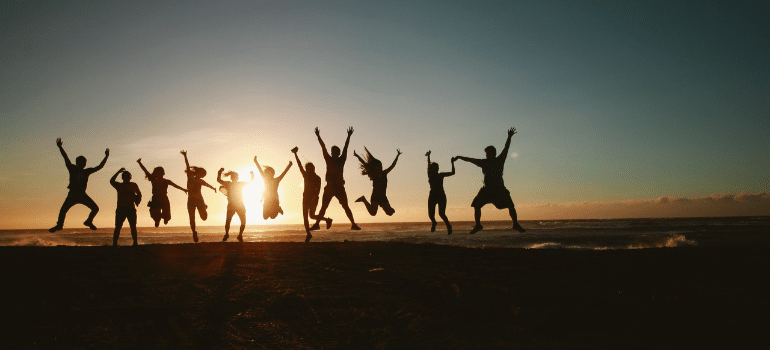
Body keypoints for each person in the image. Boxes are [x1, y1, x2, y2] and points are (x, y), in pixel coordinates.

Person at [454, 127, 526, 234]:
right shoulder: (484, 162)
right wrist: (460, 157)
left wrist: (509, 137)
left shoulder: (499, 160)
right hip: (487, 190)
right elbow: (470, 160)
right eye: (486, 154)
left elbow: (506, 148)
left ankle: (515, 224)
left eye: (488, 153)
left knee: (511, 206)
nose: (486, 155)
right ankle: (478, 225)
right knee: (477, 205)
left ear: (493, 153)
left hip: (499, 189)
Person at [50, 138, 109, 232]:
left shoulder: (87, 171)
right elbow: (65, 158)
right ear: (77, 163)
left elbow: (99, 167)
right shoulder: (72, 168)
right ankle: (59, 225)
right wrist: (60, 147)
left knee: (95, 208)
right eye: (81, 162)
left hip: (82, 195)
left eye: (84, 163)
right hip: (72, 195)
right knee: (63, 210)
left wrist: (106, 157)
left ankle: (88, 221)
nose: (83, 164)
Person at [312, 127, 360, 230]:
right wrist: (318, 136)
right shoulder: (328, 159)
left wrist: (348, 136)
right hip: (329, 187)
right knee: (323, 207)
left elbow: (346, 147)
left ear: (338, 153)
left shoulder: (341, 160)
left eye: (335, 152)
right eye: (332, 151)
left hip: (339, 187)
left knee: (345, 206)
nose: (333, 153)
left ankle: (353, 224)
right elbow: (323, 147)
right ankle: (317, 224)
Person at [292, 146, 332, 242]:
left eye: (311, 168)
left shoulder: (317, 178)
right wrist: (295, 154)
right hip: (305, 198)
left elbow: (318, 190)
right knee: (306, 217)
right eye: (308, 168)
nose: (309, 170)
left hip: (314, 198)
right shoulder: (305, 175)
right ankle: (308, 234)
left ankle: (327, 220)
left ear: (313, 168)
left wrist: (313, 198)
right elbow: (299, 165)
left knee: (312, 216)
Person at [137, 159, 187, 227]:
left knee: (167, 218)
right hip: (155, 199)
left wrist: (183, 189)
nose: (160, 174)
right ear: (156, 174)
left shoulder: (166, 181)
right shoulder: (153, 179)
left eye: (161, 172)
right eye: (158, 173)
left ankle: (164, 218)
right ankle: (157, 219)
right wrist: (139, 163)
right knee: (155, 214)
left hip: (164, 199)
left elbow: (175, 186)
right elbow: (145, 170)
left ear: (163, 173)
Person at [353, 147, 401, 216]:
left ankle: (388, 208)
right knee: (373, 213)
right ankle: (363, 199)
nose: (380, 167)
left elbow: (393, 165)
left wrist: (397, 155)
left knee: (390, 213)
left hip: (383, 196)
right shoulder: (374, 175)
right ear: (375, 167)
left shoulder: (384, 173)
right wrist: (357, 155)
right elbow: (364, 163)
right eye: (378, 166)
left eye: (381, 165)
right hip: (375, 196)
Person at [181, 150, 216, 242]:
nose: (203, 176)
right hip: (191, 201)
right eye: (202, 174)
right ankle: (194, 233)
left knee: (204, 218)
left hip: (200, 200)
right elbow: (188, 167)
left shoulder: (201, 181)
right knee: (192, 218)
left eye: (203, 175)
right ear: (198, 173)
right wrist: (185, 156)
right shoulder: (190, 177)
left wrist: (213, 188)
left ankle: (204, 206)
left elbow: (208, 185)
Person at [217, 168, 253, 242]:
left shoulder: (236, 184)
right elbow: (219, 180)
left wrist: (252, 175)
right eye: (236, 177)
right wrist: (219, 172)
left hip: (238, 205)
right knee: (229, 221)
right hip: (234, 205)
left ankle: (238, 235)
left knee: (241, 221)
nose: (237, 178)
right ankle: (228, 234)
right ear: (232, 178)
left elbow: (250, 181)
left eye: (237, 177)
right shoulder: (229, 184)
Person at [425, 150, 456, 234]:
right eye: (434, 168)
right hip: (433, 195)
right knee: (431, 214)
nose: (435, 170)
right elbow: (428, 165)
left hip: (441, 195)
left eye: (436, 168)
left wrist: (452, 163)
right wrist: (428, 156)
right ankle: (434, 222)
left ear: (438, 169)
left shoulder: (441, 175)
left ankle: (449, 226)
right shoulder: (430, 174)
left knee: (441, 213)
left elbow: (453, 173)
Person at [109, 168, 142, 246]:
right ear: (123, 177)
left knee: (133, 227)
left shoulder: (133, 185)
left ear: (130, 177)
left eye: (128, 176)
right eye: (125, 176)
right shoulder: (119, 185)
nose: (126, 178)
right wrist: (118, 171)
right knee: (118, 227)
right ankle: (114, 243)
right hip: (121, 208)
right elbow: (111, 181)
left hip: (131, 209)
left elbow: (139, 194)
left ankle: (135, 242)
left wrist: (137, 200)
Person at [254, 156, 292, 220]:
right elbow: (260, 170)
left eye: (268, 173)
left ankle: (277, 208)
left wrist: (289, 165)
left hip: (274, 201)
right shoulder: (265, 179)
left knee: (272, 217)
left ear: (272, 174)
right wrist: (255, 161)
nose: (266, 175)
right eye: (266, 173)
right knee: (265, 217)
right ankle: (277, 208)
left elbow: (284, 173)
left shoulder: (276, 180)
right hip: (267, 200)